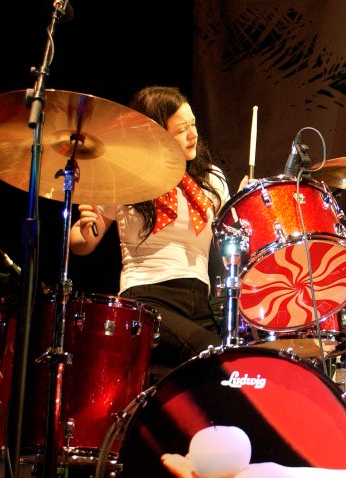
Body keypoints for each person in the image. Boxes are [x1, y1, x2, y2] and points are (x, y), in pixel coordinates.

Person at [70, 86, 230, 377]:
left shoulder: (212, 180)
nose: (193, 134)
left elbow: (232, 242)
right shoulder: (125, 177)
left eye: (193, 124)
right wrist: (82, 228)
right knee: (214, 356)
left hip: (199, 301)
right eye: (182, 129)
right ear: (156, 134)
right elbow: (83, 243)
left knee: (230, 371)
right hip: (148, 299)